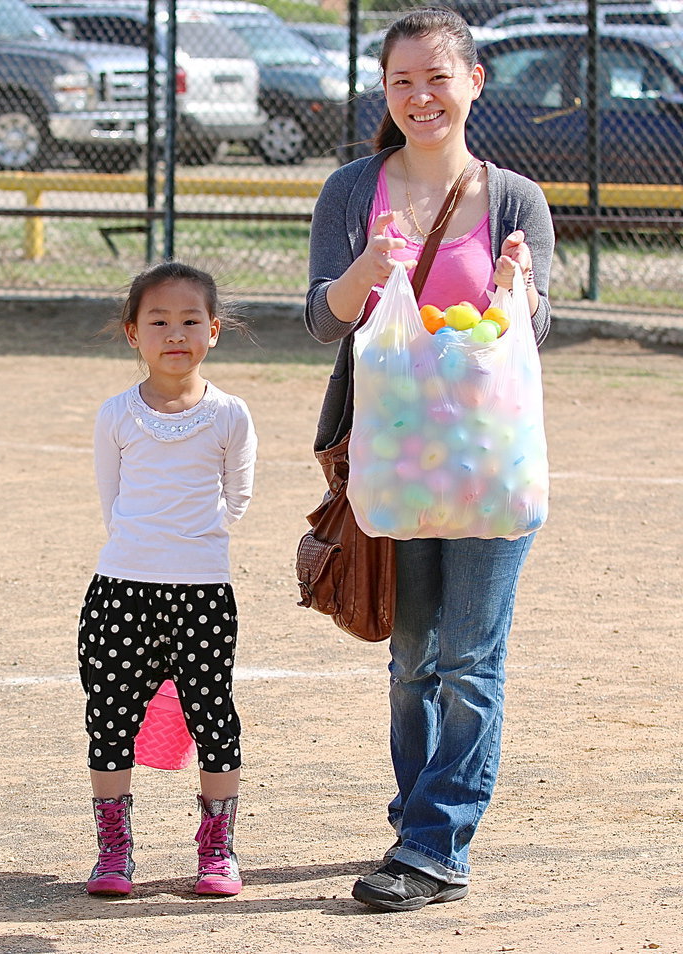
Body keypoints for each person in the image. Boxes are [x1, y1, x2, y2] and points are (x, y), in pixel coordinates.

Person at [304, 8, 553, 913]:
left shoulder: (515, 197)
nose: (421, 97)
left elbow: (534, 335)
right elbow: (321, 320)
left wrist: (516, 287)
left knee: (472, 658)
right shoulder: (351, 191)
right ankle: (416, 814)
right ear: (385, 91)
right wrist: (366, 268)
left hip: (489, 463)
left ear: (474, 83)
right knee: (411, 656)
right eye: (402, 82)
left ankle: (437, 845)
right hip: (394, 460)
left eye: (437, 79)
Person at [79, 261, 257, 898]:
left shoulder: (231, 415)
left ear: (214, 331)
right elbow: (112, 500)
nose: (174, 333)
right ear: (133, 333)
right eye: (158, 320)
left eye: (190, 320)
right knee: (111, 716)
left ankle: (216, 848)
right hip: (121, 590)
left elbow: (236, 499)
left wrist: (189, 546)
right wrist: (147, 548)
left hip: (204, 591)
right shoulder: (116, 415)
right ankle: (114, 848)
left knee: (213, 716)